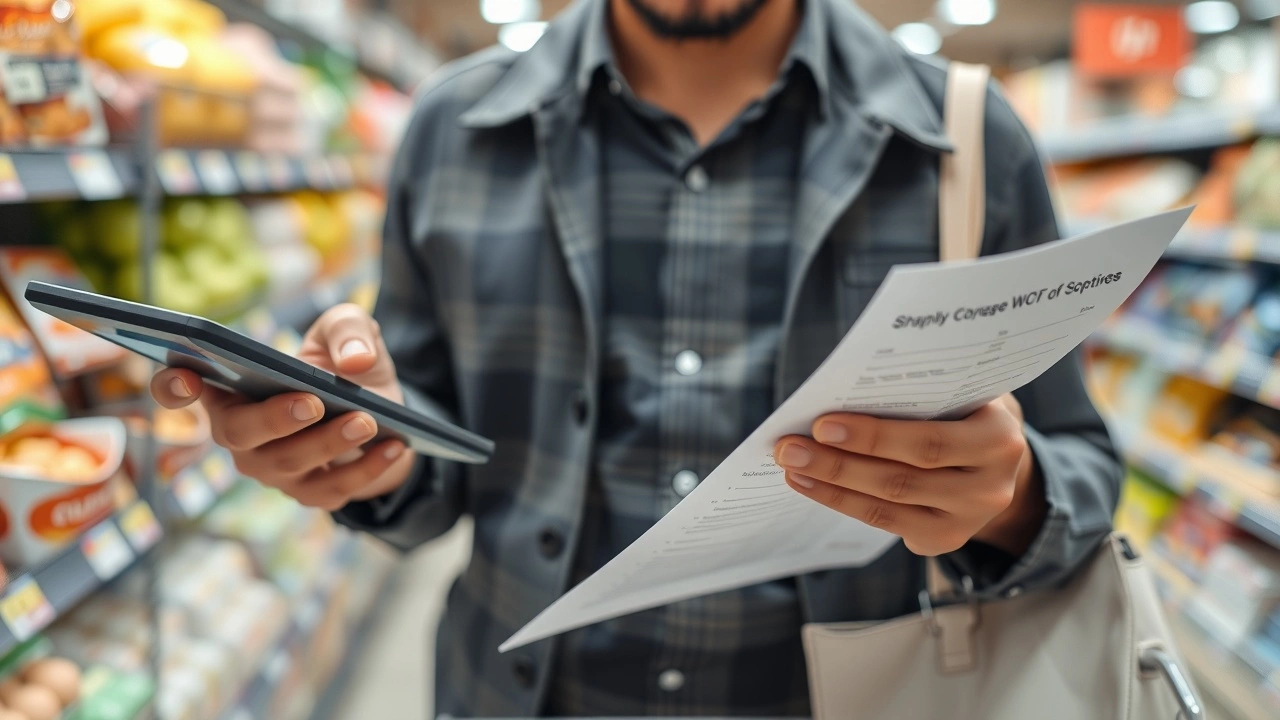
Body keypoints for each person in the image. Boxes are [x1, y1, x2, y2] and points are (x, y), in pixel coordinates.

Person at [152, 0, 1122, 716]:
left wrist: (1007, 496)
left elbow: (1078, 462)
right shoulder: (453, 134)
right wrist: (358, 447)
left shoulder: (963, 141)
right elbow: (428, 460)